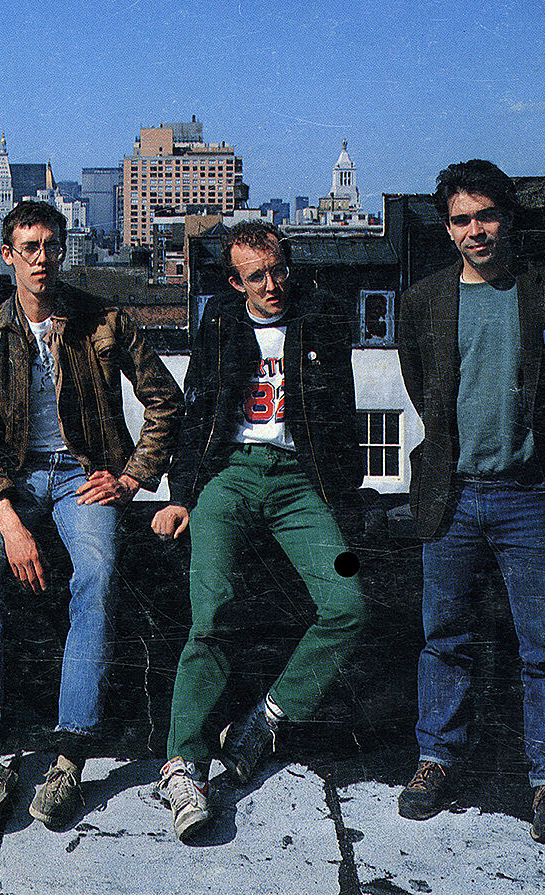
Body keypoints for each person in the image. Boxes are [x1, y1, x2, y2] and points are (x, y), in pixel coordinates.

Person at [0, 201, 182, 832]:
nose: (41, 257)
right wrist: (10, 521)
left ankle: (68, 754)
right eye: (28, 246)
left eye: (51, 244)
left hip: (84, 478)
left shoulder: (101, 321)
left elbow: (165, 400)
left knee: (97, 581)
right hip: (12, 480)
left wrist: (134, 476)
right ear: (8, 255)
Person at [151, 220, 366, 841]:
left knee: (347, 600)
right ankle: (183, 765)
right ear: (234, 280)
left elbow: (343, 414)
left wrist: (343, 501)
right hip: (230, 479)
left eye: (277, 270)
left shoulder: (319, 318)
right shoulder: (219, 321)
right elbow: (195, 413)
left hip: (302, 484)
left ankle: (267, 719)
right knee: (211, 609)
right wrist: (180, 497)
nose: (271, 285)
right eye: (256, 276)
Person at [396, 159, 545, 847]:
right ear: (447, 229)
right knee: (443, 637)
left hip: (527, 495)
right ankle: (434, 758)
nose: (476, 229)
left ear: (507, 217)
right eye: (462, 219)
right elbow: (422, 388)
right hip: (452, 493)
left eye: (486, 214)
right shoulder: (424, 300)